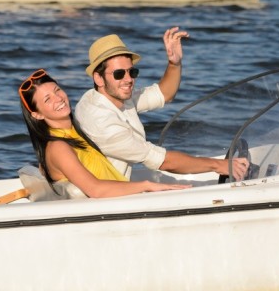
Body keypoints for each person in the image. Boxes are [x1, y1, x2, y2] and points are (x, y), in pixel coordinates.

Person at [75, 30, 249, 181]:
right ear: (98, 78)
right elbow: (163, 161)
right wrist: (219, 166)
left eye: (132, 72)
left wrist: (174, 63)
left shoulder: (106, 95)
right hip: (99, 201)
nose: (128, 79)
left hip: (113, 185)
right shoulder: (101, 121)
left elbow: (164, 94)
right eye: (119, 74)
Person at [18, 68, 188, 198]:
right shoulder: (58, 147)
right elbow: (96, 189)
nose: (59, 98)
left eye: (57, 90)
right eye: (47, 99)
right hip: (113, 208)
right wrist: (146, 185)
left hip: (121, 201)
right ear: (37, 114)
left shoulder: (75, 131)